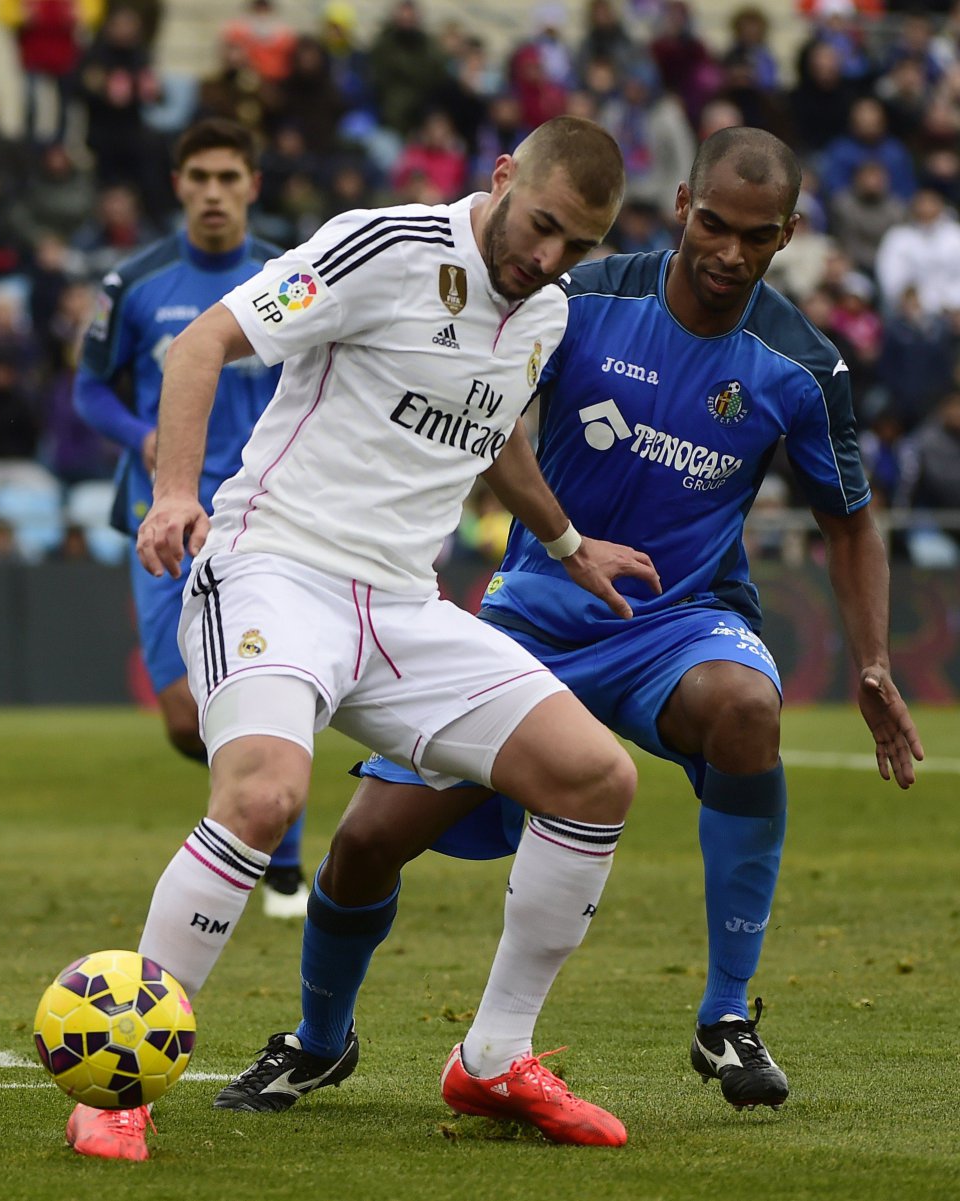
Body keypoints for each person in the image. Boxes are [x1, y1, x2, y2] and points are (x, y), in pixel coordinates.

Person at [213, 127, 925, 1127]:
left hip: (680, 625)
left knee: (745, 707)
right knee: (367, 842)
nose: (730, 252)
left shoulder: (801, 366)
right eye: (715, 225)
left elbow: (849, 521)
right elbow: (485, 413)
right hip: (532, 620)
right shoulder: (579, 299)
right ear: (683, 206)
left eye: (756, 236)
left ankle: (725, 1014)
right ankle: (319, 1039)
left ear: (790, 235)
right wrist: (553, 537)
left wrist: (875, 663)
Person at [66, 115, 660, 1161]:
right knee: (263, 797)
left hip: (400, 606)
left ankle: (492, 1059)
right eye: (542, 225)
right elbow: (203, 344)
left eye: (579, 244)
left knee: (596, 777)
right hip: (274, 565)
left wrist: (570, 545)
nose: (549, 257)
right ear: (503, 176)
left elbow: (495, 432)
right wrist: (172, 492)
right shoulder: (384, 245)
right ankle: (119, 1077)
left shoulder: (546, 310)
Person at [72, 117, 311, 924]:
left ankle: (280, 856)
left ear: (252, 185)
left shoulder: (291, 276)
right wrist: (142, 434)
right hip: (164, 511)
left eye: (228, 177)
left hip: (261, 514)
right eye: (199, 177)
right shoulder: (135, 282)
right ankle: (266, 796)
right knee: (183, 714)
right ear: (178, 185)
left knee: (255, 682)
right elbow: (89, 388)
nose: (214, 192)